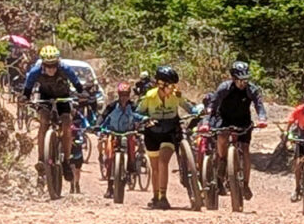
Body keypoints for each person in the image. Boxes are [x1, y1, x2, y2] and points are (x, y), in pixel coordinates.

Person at [22, 45, 84, 183]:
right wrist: (25, 97)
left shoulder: (65, 69)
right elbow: (28, 88)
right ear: (43, 64)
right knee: (44, 121)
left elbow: (77, 83)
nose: (51, 69)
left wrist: (81, 92)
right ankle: (41, 159)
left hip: (63, 97)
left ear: (58, 63)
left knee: (67, 123)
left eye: (54, 65)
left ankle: (66, 161)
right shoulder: (35, 71)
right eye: (47, 65)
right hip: (45, 98)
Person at [207, 61, 268, 200]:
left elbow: (259, 105)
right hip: (224, 119)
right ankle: (222, 161)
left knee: (245, 150)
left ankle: (245, 184)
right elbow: (213, 104)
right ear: (233, 78)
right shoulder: (224, 88)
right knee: (222, 137)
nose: (243, 83)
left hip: (243, 120)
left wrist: (262, 118)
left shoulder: (252, 89)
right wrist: (208, 117)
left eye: (246, 80)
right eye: (240, 80)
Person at [135, 65, 193, 210]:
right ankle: (155, 196)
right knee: (155, 168)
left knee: (163, 161)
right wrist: (145, 119)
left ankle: (163, 196)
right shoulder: (149, 96)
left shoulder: (176, 95)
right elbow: (136, 112)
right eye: (170, 85)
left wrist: (200, 110)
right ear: (161, 85)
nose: (173, 88)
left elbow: (190, 107)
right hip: (152, 133)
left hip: (170, 132)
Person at [96, 82, 141, 199]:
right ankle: (109, 187)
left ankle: (131, 167)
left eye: (126, 95)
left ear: (129, 95)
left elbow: (139, 116)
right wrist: (97, 125)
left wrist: (143, 122)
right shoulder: (112, 106)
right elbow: (103, 116)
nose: (124, 97)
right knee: (109, 157)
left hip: (128, 133)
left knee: (132, 148)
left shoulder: (133, 106)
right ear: (119, 95)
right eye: (122, 95)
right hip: (113, 133)